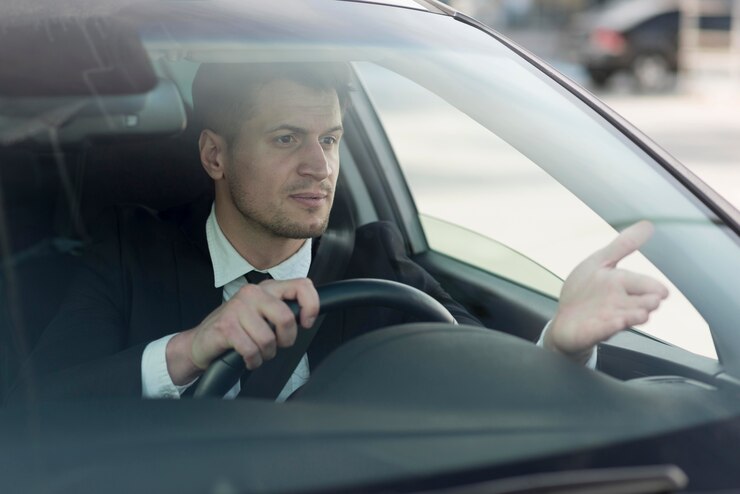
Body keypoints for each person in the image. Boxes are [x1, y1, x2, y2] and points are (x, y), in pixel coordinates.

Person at [11, 62, 668, 401]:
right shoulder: (129, 256)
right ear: (215, 156)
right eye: (286, 138)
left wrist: (562, 344)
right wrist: (189, 348)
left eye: (329, 140)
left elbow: (480, 385)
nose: (319, 166)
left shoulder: (379, 268)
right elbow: (40, 409)